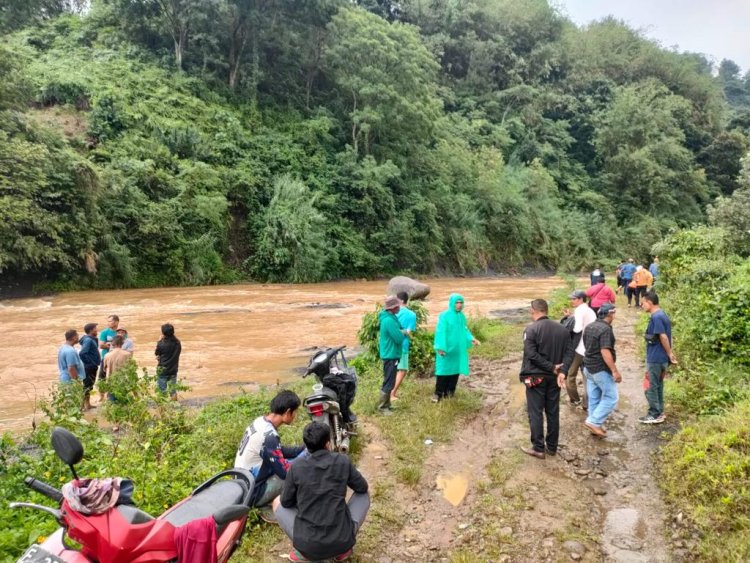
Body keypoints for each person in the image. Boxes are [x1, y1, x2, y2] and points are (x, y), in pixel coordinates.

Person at [273, 422, 369, 562]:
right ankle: (341, 551)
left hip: (308, 545)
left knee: (277, 502)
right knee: (364, 495)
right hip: (342, 541)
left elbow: (286, 502)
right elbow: (362, 488)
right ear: (328, 443)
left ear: (306, 445)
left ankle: (303, 553)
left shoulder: (297, 467)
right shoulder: (342, 461)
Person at [235, 390, 307, 516]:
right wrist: (306, 460)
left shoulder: (260, 422)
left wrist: (300, 449)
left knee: (295, 461)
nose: (295, 415)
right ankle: (271, 505)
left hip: (241, 484)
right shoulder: (269, 436)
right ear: (287, 412)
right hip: (253, 493)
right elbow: (285, 473)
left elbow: (277, 451)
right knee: (298, 472)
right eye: (295, 412)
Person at [519, 299, 574, 459]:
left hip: (536, 377)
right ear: (546, 310)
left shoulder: (531, 330)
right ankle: (552, 447)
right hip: (554, 378)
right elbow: (569, 352)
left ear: (532, 311)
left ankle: (538, 448)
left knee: (535, 412)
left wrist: (551, 367)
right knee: (552, 411)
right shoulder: (562, 329)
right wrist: (562, 371)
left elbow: (531, 354)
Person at [582, 303, 622, 437]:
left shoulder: (590, 326)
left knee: (594, 398)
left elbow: (586, 345)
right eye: (614, 313)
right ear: (610, 314)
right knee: (612, 397)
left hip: (588, 367)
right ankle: (593, 422)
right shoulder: (605, 330)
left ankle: (594, 424)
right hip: (600, 369)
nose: (614, 316)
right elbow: (605, 351)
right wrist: (615, 371)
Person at [639, 291, 677, 424]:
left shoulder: (656, 317)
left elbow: (663, 336)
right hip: (661, 358)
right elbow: (668, 335)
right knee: (658, 385)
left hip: (656, 358)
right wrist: (669, 353)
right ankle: (660, 412)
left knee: (650, 386)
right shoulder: (662, 314)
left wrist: (669, 353)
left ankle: (654, 414)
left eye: (642, 302)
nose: (641, 305)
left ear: (649, 302)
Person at [433, 293, 479, 402]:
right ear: (452, 303)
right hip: (446, 350)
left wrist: (471, 338)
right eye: (457, 303)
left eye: (461, 302)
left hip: (457, 351)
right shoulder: (444, 316)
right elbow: (440, 332)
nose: (459, 305)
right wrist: (440, 348)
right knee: (443, 372)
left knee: (455, 372)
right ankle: (438, 394)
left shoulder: (461, 316)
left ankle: (450, 394)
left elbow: (465, 330)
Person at [564, 291, 596, 409]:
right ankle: (586, 403)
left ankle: (575, 399)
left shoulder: (579, 311)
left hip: (578, 349)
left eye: (574, 299)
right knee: (587, 376)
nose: (572, 301)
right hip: (589, 348)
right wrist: (570, 317)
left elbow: (577, 329)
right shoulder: (590, 310)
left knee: (569, 375)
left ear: (581, 299)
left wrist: (567, 325)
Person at [377, 296, 409, 414]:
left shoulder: (391, 317)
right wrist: (404, 332)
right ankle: (382, 408)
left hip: (392, 353)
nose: (400, 307)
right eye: (398, 306)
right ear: (393, 308)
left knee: (390, 380)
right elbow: (399, 338)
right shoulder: (389, 320)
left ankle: (387, 405)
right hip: (390, 355)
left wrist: (402, 331)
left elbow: (399, 329)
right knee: (389, 381)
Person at [391, 291, 417, 401]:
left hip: (391, 344)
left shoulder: (391, 312)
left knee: (391, 369)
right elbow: (409, 332)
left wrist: (395, 331)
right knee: (402, 370)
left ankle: (389, 392)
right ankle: (392, 394)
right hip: (403, 345)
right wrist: (402, 331)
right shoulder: (412, 315)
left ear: (401, 301)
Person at [155, 323, 181, 397]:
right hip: (173, 370)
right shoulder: (177, 343)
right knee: (173, 391)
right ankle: (175, 407)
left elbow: (157, 353)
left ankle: (162, 408)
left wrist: (159, 341)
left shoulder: (161, 344)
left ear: (163, 333)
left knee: (162, 392)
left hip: (163, 370)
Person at [78, 323, 100, 410]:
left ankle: (88, 405)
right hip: (89, 367)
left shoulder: (90, 339)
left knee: (90, 386)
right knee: (87, 386)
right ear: (91, 330)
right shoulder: (88, 340)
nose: (97, 330)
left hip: (91, 366)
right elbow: (82, 353)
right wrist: (91, 363)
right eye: (95, 328)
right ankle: (81, 406)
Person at [98, 314, 119, 402]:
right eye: (108, 321)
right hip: (105, 358)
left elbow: (125, 344)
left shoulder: (121, 332)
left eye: (110, 321)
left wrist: (109, 345)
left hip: (117, 358)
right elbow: (101, 345)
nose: (108, 323)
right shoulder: (104, 332)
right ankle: (101, 397)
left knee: (116, 377)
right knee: (101, 377)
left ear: (116, 322)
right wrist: (114, 347)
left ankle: (114, 395)